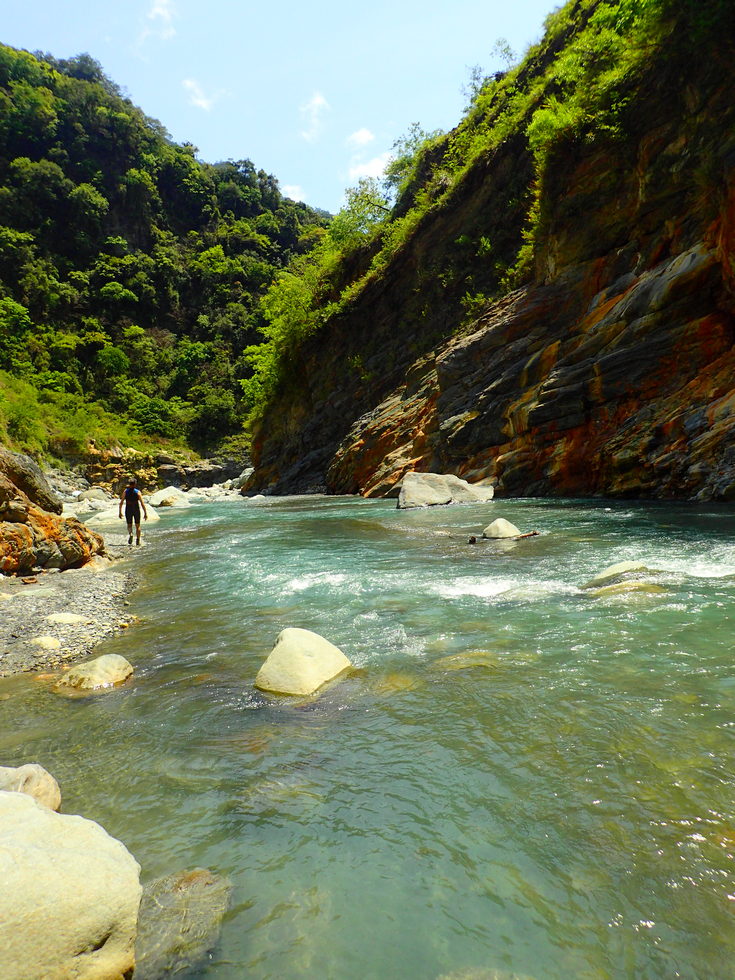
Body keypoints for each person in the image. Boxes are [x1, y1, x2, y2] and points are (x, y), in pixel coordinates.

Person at [118, 478, 148, 545]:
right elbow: (142, 504)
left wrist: (120, 512)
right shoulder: (138, 492)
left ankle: (131, 534)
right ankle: (138, 540)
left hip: (128, 509)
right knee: (138, 526)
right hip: (136, 509)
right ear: (135, 484)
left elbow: (121, 502)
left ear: (129, 484)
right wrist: (145, 513)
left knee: (129, 525)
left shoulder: (126, 491)